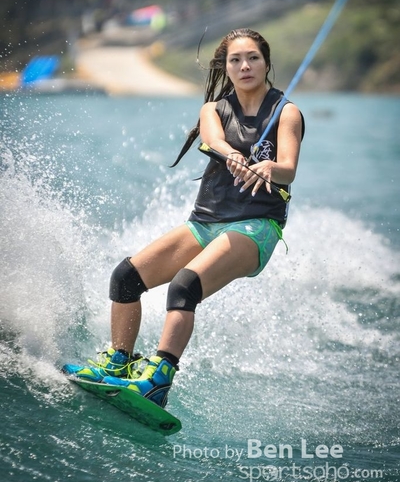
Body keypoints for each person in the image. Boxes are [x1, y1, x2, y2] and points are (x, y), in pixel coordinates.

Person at [63, 28, 304, 407]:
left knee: (184, 286)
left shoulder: (285, 113)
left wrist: (271, 168)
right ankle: (119, 362)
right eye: (236, 60)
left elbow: (289, 168)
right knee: (126, 278)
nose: (245, 66)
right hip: (206, 222)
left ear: (266, 62)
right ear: (226, 67)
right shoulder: (214, 110)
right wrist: (232, 154)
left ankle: (159, 380)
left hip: (257, 225)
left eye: (253, 58)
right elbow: (214, 140)